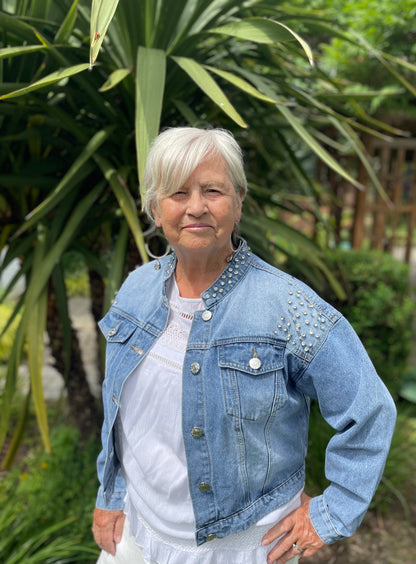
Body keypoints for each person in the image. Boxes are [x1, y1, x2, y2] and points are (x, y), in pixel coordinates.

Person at [92, 127, 396, 564]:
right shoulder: (137, 289)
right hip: (136, 537)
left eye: (212, 190)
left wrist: (330, 513)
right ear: (156, 208)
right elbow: (121, 414)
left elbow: (370, 409)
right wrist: (110, 494)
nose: (195, 206)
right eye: (178, 192)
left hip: (244, 548)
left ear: (237, 201)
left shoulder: (288, 307)